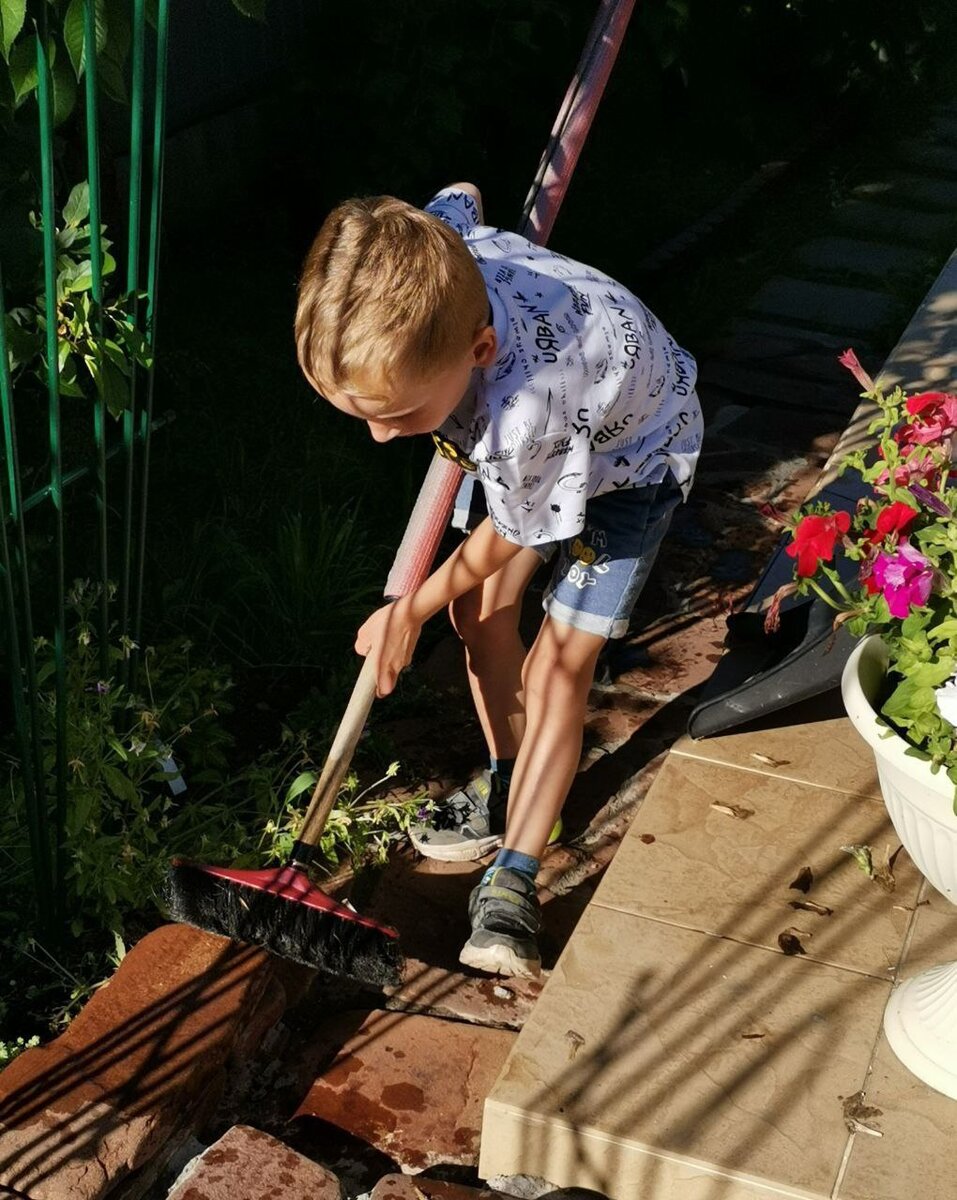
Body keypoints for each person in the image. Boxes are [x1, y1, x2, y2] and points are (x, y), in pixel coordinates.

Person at [295, 183, 702, 979]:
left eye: (401, 416)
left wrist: (406, 609)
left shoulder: (525, 411)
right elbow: (454, 203)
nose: (380, 438)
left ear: (477, 352)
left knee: (557, 665)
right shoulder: (439, 257)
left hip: (632, 462)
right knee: (480, 614)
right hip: (537, 441)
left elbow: (507, 531)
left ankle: (513, 878)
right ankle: (511, 780)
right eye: (357, 414)